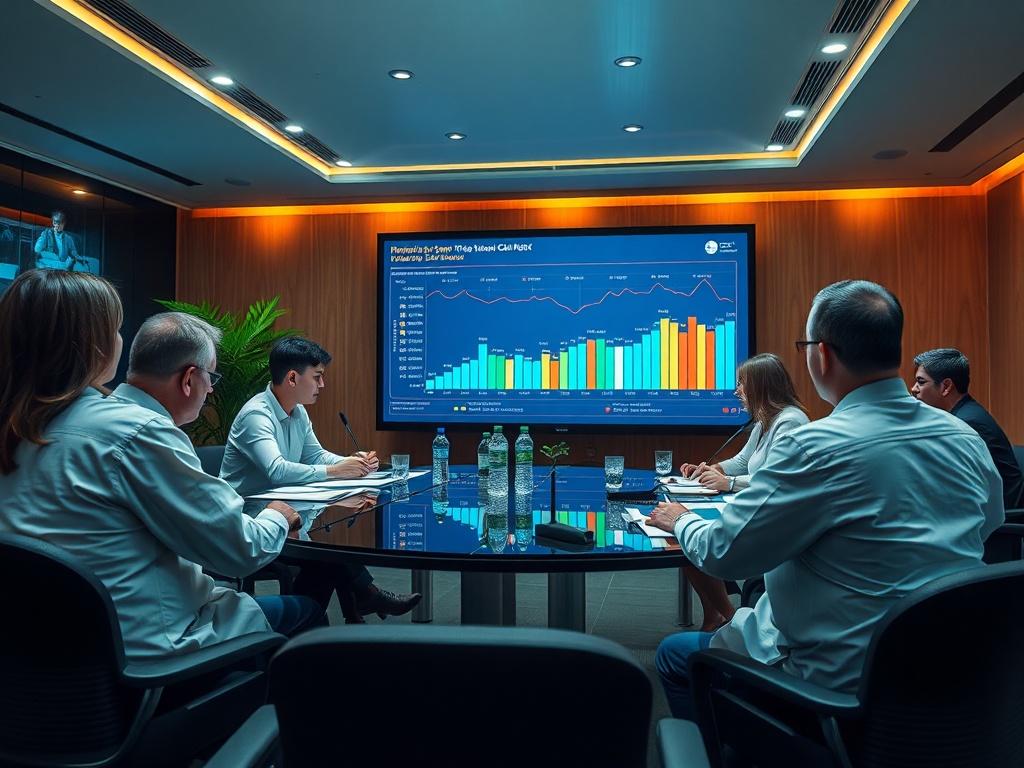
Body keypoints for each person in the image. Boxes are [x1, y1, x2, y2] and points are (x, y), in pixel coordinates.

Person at [646, 279, 1003, 721]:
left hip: (830, 687)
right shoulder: (964, 437)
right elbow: (990, 523)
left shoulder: (815, 446)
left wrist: (680, 519)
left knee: (674, 656)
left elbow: (724, 553)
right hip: (955, 673)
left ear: (822, 354)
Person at [0, 272, 324, 660]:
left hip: (43, 658)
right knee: (309, 615)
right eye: (117, 329)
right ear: (96, 345)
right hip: (148, 655)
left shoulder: (20, 427)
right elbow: (240, 549)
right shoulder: (134, 432)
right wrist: (276, 515)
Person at [221, 336, 421, 623]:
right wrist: (338, 471)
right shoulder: (256, 415)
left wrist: (355, 463)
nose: (322, 385)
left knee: (326, 558)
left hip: (289, 515)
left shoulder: (298, 412)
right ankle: (360, 600)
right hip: (250, 521)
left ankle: (330, 617)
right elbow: (276, 470)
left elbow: (315, 456)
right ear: (292, 378)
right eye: (317, 377)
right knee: (327, 556)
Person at [675, 353, 809, 631]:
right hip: (752, 505)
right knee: (681, 539)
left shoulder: (791, 422)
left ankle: (728, 615)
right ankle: (717, 614)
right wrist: (711, 469)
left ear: (761, 385)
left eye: (742, 384)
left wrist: (729, 484)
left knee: (694, 533)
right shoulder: (764, 421)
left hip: (770, 520)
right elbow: (742, 462)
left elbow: (773, 479)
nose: (736, 391)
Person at [911, 348, 1023, 511]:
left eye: (921, 382)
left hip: (996, 521)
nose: (913, 389)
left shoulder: (966, 424)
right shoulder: (965, 413)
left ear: (946, 386)